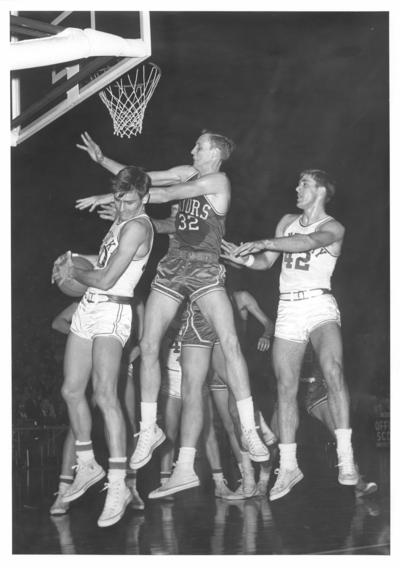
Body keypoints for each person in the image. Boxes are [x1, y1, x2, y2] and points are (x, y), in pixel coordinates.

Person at [75, 131, 270, 494]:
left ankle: (249, 427)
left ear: (215, 152)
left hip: (205, 267)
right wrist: (103, 160)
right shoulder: (187, 172)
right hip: (173, 264)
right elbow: (148, 179)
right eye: (193, 144)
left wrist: (117, 199)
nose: (191, 148)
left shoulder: (218, 180)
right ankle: (149, 429)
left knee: (229, 343)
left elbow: (162, 195)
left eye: (198, 145)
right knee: (149, 344)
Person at [221, 169, 358, 500]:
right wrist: (241, 258)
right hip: (288, 308)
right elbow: (267, 262)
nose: (297, 188)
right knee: (285, 387)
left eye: (305, 184)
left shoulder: (333, 227)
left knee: (332, 369)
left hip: (319, 303)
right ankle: (289, 465)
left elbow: (308, 242)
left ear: (322, 191)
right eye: (298, 182)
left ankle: (345, 456)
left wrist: (265, 242)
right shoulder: (286, 220)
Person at [52, 166, 153, 527]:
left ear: (144, 198)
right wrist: (72, 260)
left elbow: (109, 278)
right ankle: (88, 464)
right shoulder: (119, 222)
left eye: (128, 201)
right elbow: (102, 262)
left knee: (108, 396)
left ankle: (118, 486)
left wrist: (74, 273)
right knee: (71, 389)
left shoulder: (139, 226)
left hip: (113, 310)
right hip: (90, 308)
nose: (122, 207)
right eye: (118, 200)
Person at [49, 299, 146, 516]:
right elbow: (57, 322)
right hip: (92, 362)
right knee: (76, 427)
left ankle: (130, 487)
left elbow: (146, 339)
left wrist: (131, 354)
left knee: (129, 425)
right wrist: (86, 337)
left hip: (120, 366)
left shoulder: (135, 303)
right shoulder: (86, 302)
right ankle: (63, 491)